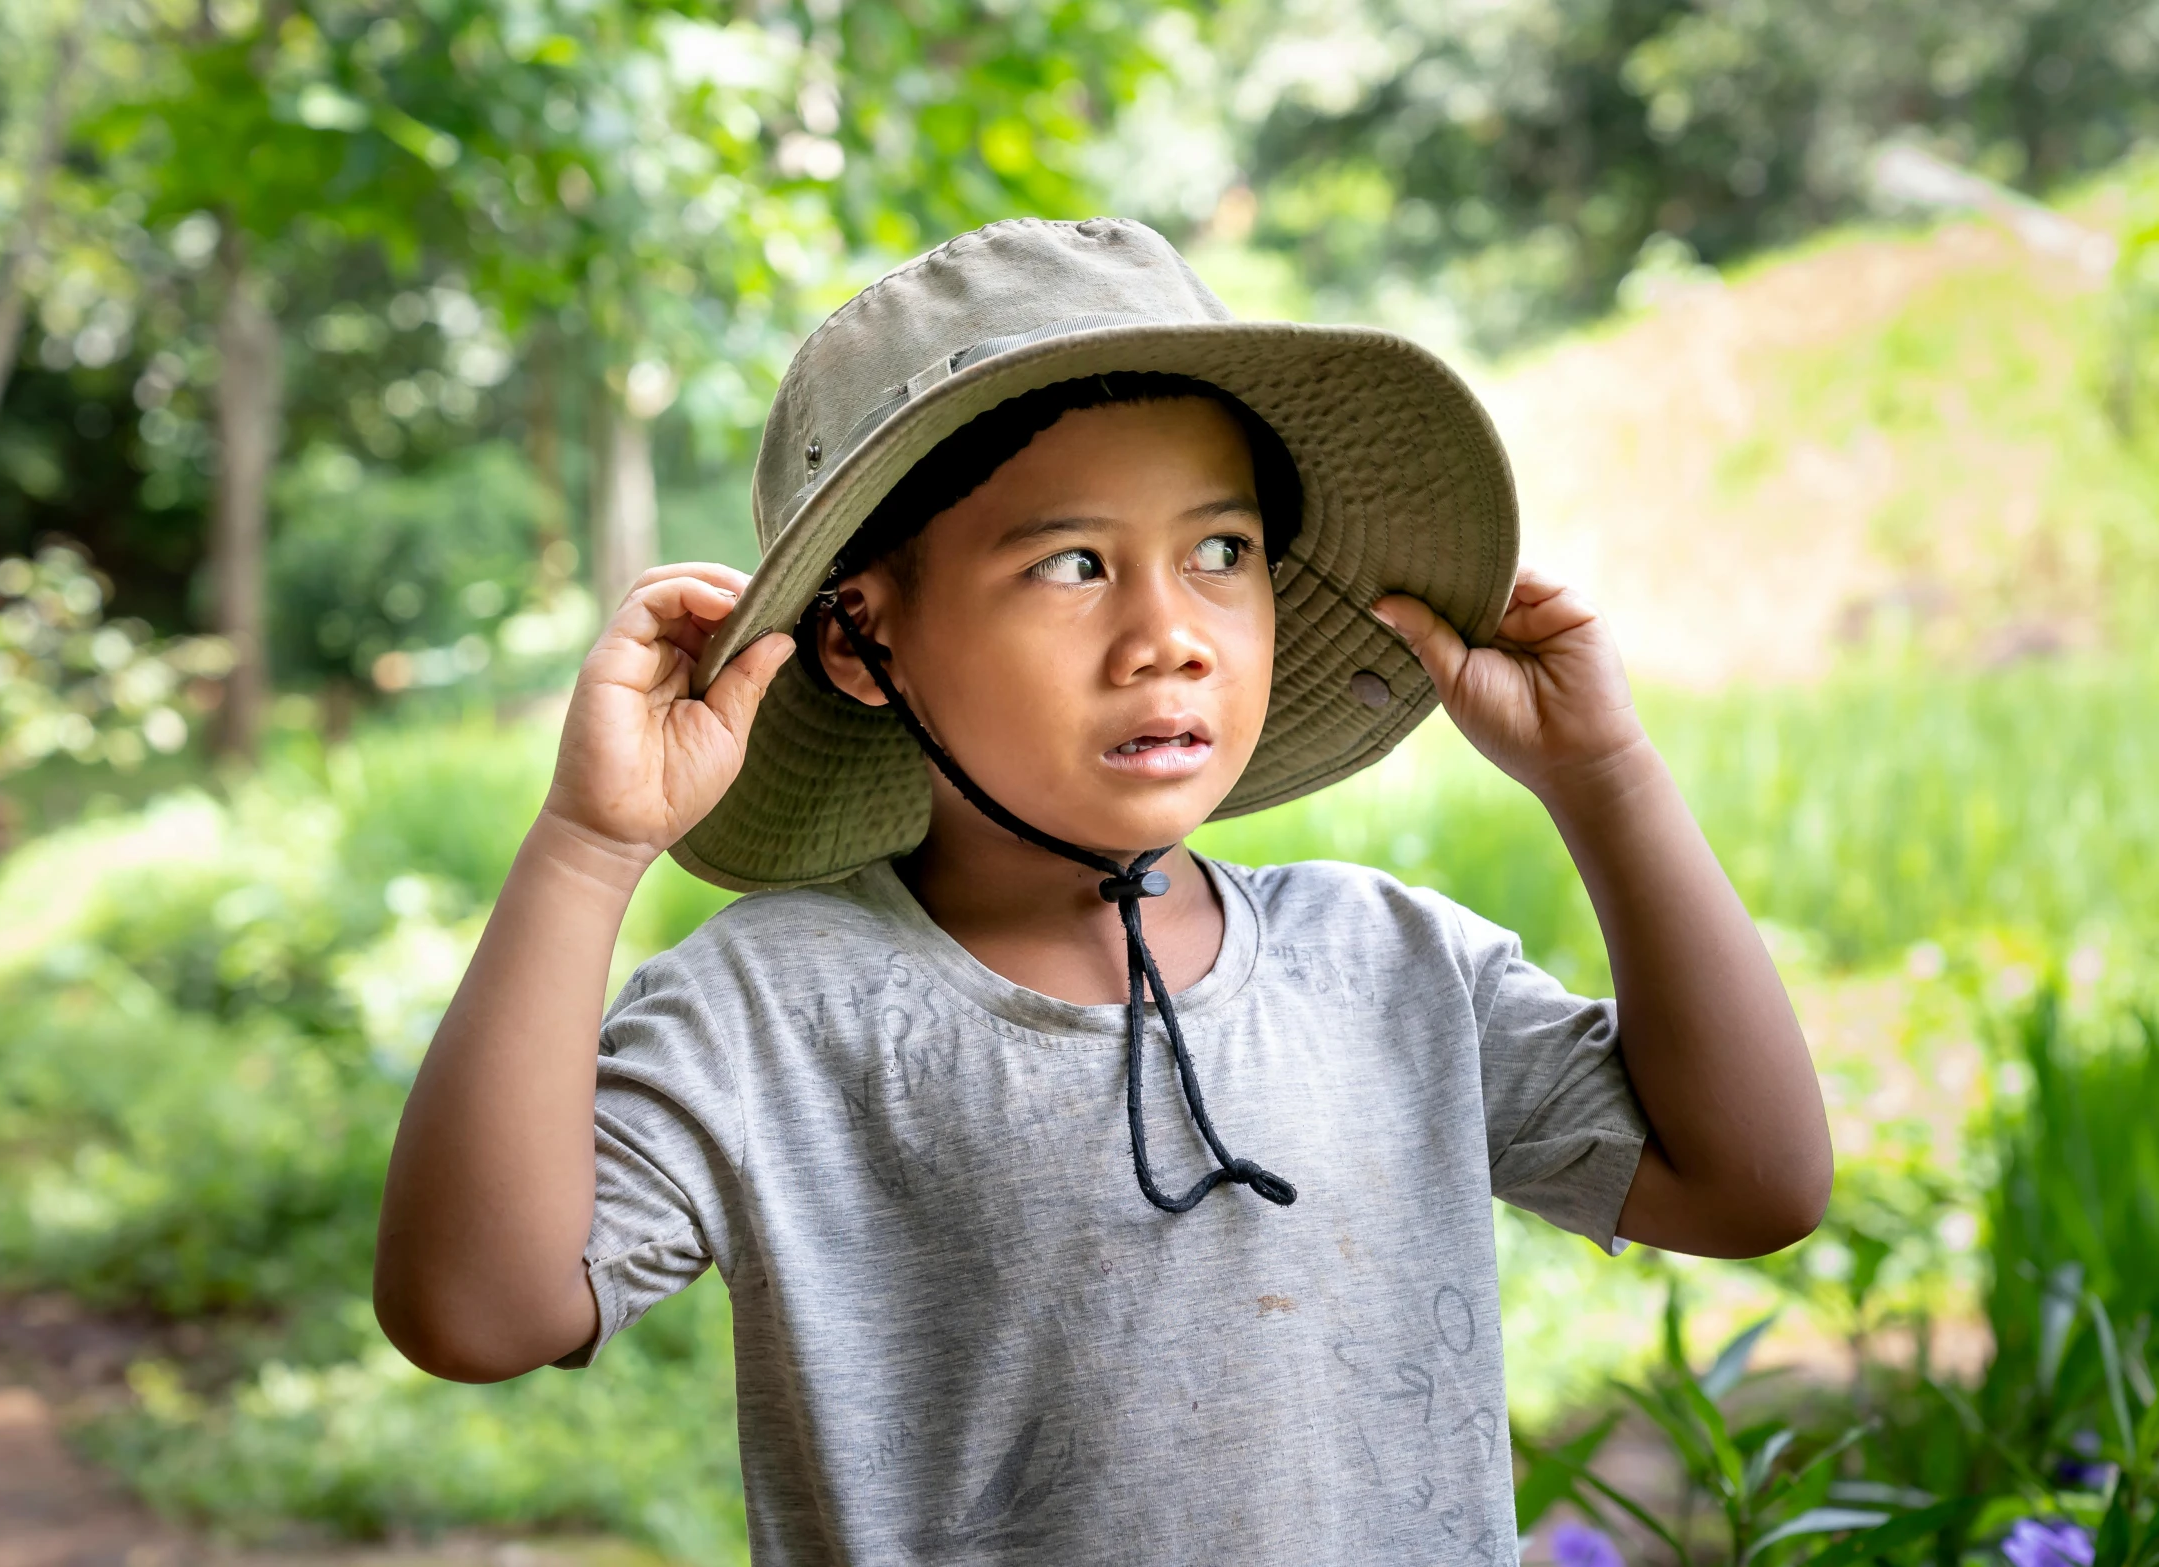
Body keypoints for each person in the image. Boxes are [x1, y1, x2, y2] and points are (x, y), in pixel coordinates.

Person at [373, 218, 1831, 1564]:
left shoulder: (1387, 962)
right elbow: (475, 1309)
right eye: (1073, 562)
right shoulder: (778, 1004)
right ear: (859, 636)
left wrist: (1607, 780)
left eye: (1221, 553)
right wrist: (587, 845)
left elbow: (1750, 1183)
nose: (1169, 635)